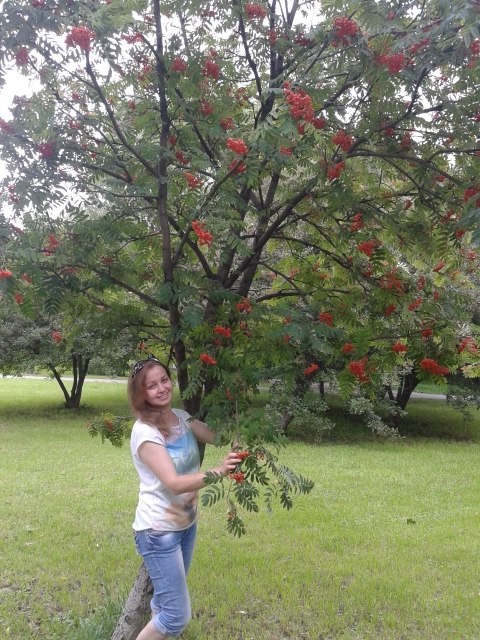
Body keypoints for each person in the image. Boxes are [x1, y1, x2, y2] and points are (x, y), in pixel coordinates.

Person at [127, 355, 241, 640]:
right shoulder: (145, 432)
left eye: (164, 380)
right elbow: (174, 483)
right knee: (176, 616)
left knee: (164, 607)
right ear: (141, 393)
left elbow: (217, 437)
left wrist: (238, 412)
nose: (161, 388)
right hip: (158, 532)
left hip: (185, 526)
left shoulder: (180, 416)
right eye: (151, 385)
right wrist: (220, 471)